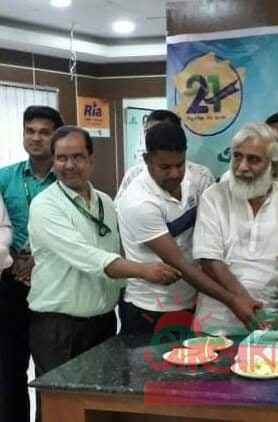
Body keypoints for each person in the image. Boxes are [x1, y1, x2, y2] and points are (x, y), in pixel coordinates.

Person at [27, 126, 180, 379]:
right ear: (53, 162)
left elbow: (113, 250)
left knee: (102, 396)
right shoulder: (45, 205)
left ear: (91, 159)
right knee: (62, 401)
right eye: (62, 158)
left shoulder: (105, 202)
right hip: (59, 328)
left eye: (77, 157)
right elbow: (88, 257)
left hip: (103, 323)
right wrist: (143, 270)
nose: (69, 165)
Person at [116, 122, 238, 334]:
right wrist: (233, 300)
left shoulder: (196, 179)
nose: (174, 174)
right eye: (165, 167)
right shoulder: (138, 202)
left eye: (180, 165)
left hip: (189, 302)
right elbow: (180, 264)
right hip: (151, 309)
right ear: (147, 160)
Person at [193, 123, 278, 333]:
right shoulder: (214, 196)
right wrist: (243, 302)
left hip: (268, 318)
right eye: (237, 156)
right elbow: (209, 260)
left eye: (253, 159)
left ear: (273, 165)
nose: (242, 167)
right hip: (216, 320)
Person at [0, 105, 62, 422]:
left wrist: (38, 259)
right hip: (11, 282)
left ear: (56, 137)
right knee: (9, 367)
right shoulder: (4, 177)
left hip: (53, 282)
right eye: (30, 131)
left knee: (50, 366)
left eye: (44, 132)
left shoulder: (66, 179)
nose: (35, 138)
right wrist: (9, 259)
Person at [115, 109, 215, 201]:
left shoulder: (202, 177)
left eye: (162, 131)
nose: (154, 137)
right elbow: (117, 210)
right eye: (148, 132)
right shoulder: (133, 175)